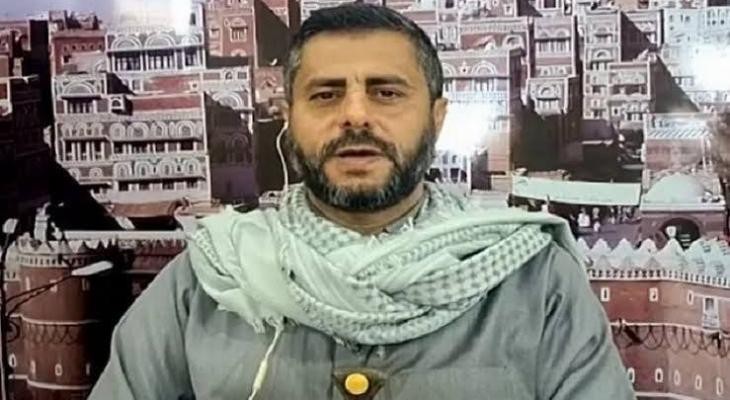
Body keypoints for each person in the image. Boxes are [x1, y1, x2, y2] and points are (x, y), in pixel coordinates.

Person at [89, 3, 635, 399]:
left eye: (386, 92)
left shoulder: (535, 284)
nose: (355, 115)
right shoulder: (208, 278)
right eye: (325, 94)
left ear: (436, 119)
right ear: (288, 118)